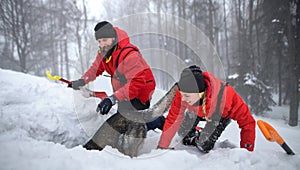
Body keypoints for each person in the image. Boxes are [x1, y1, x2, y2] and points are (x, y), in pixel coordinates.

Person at [69, 21, 163, 156]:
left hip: (141, 91)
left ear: (113, 38)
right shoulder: (104, 52)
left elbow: (136, 83)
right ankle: (153, 120)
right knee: (126, 120)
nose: (102, 44)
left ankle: (94, 147)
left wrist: (113, 98)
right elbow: (96, 68)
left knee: (125, 120)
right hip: (123, 90)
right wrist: (82, 80)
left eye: (105, 40)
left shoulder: (129, 54)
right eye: (99, 41)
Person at [157, 65, 256, 153]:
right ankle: (195, 135)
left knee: (204, 145)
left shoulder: (225, 96)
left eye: (187, 96)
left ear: (199, 93)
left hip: (218, 116)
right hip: (196, 112)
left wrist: (246, 152)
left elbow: (247, 122)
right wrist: (162, 146)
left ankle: (201, 138)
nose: (182, 99)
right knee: (183, 134)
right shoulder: (183, 92)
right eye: (182, 95)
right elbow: (173, 118)